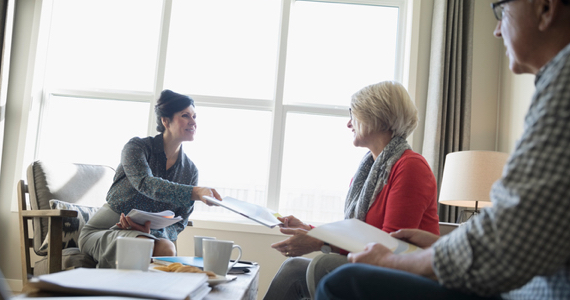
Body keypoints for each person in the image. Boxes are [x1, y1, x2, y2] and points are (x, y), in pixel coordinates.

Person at [316, 1, 570, 299]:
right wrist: (440, 245)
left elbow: (510, 238)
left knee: (343, 280)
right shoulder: (553, 85)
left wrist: (398, 261)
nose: (497, 30)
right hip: (520, 286)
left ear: (545, 8)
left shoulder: (563, 85)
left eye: (502, 12)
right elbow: (527, 231)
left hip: (529, 293)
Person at [263, 81, 440, 300]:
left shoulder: (410, 166)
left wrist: (319, 242)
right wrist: (311, 231)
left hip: (405, 273)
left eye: (353, 114)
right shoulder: (367, 172)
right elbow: (355, 235)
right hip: (378, 265)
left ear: (377, 116)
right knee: (296, 268)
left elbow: (390, 246)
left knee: (315, 265)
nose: (349, 124)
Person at [79, 89, 221, 268]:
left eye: (194, 116)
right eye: (186, 116)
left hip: (145, 235)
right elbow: (146, 184)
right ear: (165, 121)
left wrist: (154, 231)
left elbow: (180, 221)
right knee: (151, 247)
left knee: (166, 248)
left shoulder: (190, 170)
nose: (193, 122)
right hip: (103, 231)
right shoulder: (137, 147)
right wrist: (196, 192)